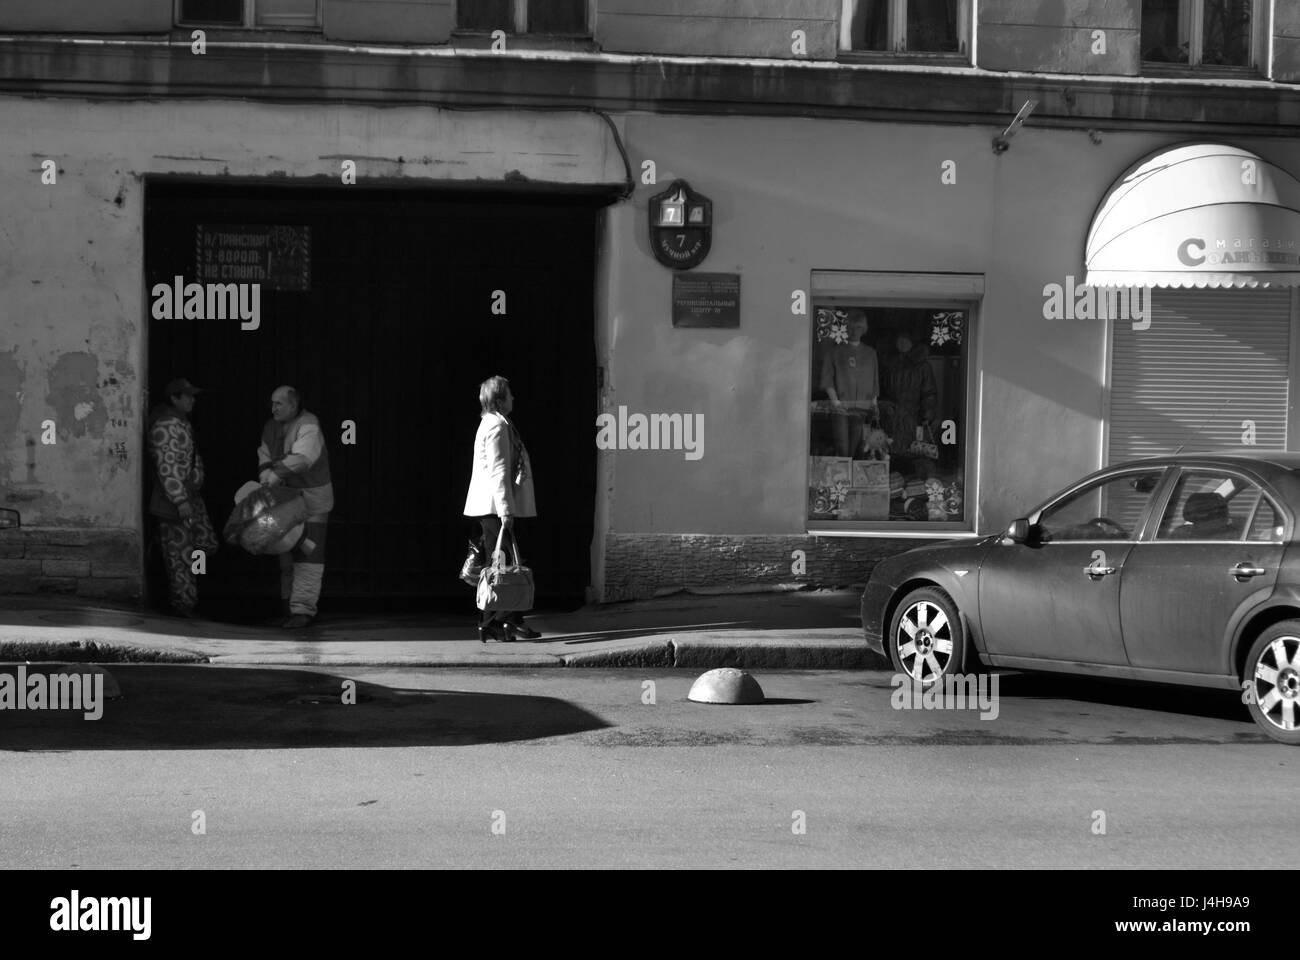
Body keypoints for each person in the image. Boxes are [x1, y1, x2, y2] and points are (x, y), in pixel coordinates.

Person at [462, 376, 539, 642]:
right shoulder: (496, 426)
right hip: (495, 507)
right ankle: (508, 620)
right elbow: (498, 470)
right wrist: (506, 510)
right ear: (499, 399)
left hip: (492, 506)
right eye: (509, 394)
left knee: (498, 566)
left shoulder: (493, 423)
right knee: (506, 567)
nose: (514, 398)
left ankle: (492, 622)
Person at [257, 385, 333, 629]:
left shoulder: (309, 423)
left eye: (279, 403)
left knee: (309, 553)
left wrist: (273, 475)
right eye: (272, 403)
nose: (273, 408)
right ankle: (288, 607)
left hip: (313, 499)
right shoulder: (270, 427)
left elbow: (304, 458)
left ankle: (302, 610)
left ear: (293, 405)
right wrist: (267, 474)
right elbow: (264, 454)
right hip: (285, 499)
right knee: (285, 552)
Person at [147, 378, 218, 618]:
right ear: (174, 399)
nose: (192, 400)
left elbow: (188, 460)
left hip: (191, 498)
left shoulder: (181, 423)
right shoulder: (165, 426)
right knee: (181, 556)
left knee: (205, 544)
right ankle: (184, 604)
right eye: (186, 396)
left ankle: (188, 597)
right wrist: (180, 499)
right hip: (175, 504)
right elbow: (167, 466)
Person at [820, 308, 879, 458]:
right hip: (841, 407)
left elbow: (874, 380)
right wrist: (836, 402)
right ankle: (842, 478)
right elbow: (827, 379)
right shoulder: (835, 352)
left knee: (855, 446)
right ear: (845, 327)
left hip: (861, 407)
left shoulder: (870, 353)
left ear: (864, 329)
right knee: (842, 446)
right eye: (851, 326)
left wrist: (874, 403)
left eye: (859, 327)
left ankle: (849, 477)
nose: (854, 330)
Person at [883, 332, 938, 462]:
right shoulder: (890, 364)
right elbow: (882, 390)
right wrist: (884, 406)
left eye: (906, 340)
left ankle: (915, 478)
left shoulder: (923, 366)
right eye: (900, 340)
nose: (902, 343)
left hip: (915, 416)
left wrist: (927, 414)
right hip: (892, 416)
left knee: (914, 452)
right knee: (892, 452)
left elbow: (929, 392)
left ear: (913, 343)